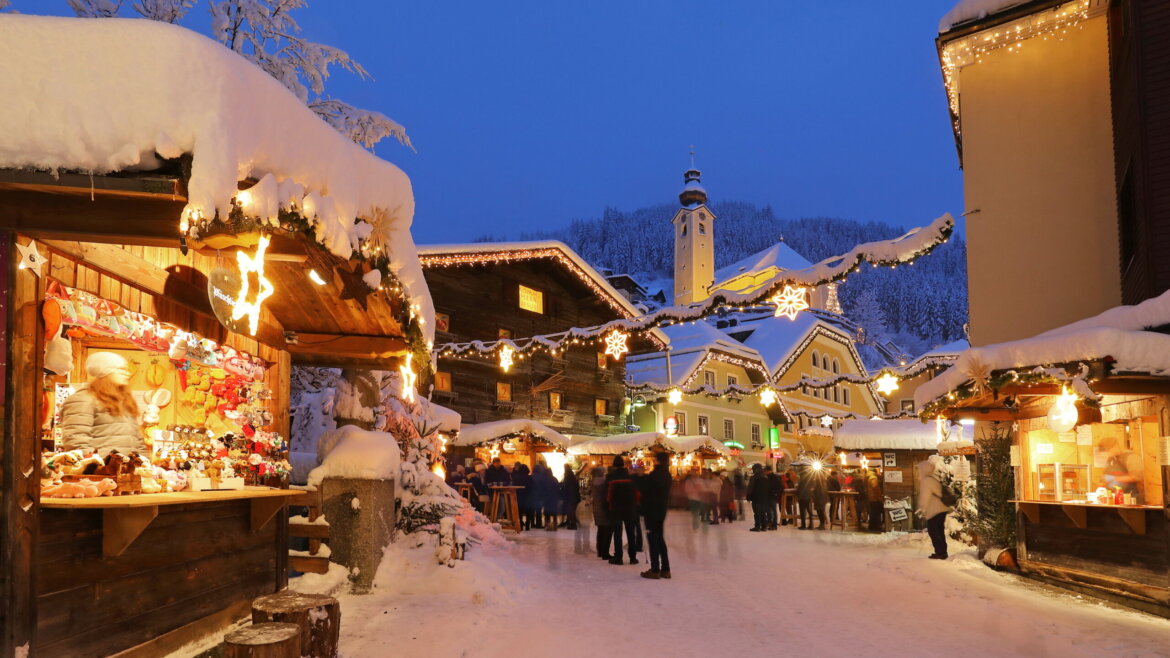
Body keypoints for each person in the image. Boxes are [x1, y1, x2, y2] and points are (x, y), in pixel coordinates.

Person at [60, 351, 147, 456]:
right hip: (101, 470)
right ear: (105, 372)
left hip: (125, 469)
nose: (127, 373)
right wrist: (95, 466)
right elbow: (76, 440)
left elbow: (137, 440)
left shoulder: (123, 401)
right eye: (120, 369)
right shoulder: (83, 399)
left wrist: (144, 463)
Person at [639, 451, 673, 579]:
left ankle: (654, 569)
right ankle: (666, 569)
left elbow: (645, 489)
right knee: (660, 538)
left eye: (655, 458)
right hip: (661, 510)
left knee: (653, 539)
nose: (653, 460)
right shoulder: (667, 475)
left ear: (658, 460)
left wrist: (641, 477)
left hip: (651, 510)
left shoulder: (655, 475)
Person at [606, 456, 639, 565]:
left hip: (616, 508)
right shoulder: (631, 477)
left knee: (617, 533)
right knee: (631, 533)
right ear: (623, 464)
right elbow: (637, 493)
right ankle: (633, 557)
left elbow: (609, 495)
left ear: (614, 465)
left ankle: (618, 557)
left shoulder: (611, 477)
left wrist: (608, 504)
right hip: (630, 508)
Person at [916, 460, 951, 559]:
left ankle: (940, 553)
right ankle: (942, 552)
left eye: (920, 469)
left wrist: (922, 508)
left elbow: (924, 497)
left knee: (933, 531)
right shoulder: (932, 478)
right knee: (939, 530)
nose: (919, 471)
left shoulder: (926, 480)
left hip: (935, 510)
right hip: (941, 509)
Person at [1098, 437, 1143, 502]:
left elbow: (1138, 476)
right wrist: (1102, 486)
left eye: (1107, 451)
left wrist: (1116, 479)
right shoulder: (1111, 459)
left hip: (1131, 498)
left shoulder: (1131, 457)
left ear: (1114, 447)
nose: (1106, 454)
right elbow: (1105, 476)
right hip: (1115, 498)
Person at [591, 465, 613, 560]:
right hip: (603, 509)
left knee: (601, 530)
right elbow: (606, 496)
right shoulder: (603, 482)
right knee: (607, 531)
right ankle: (605, 552)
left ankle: (600, 550)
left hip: (596, 508)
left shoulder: (594, 481)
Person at [747, 464, 771, 531]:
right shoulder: (765, 477)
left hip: (756, 498)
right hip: (764, 498)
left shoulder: (754, 478)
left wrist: (748, 496)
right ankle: (764, 526)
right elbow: (768, 489)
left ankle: (757, 526)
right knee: (763, 512)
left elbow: (750, 488)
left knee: (757, 512)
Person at [511, 463, 533, 530]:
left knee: (519, 511)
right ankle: (527, 525)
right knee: (528, 511)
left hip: (519, 496)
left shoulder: (516, 478)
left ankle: (520, 523)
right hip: (528, 496)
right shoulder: (529, 478)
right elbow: (532, 487)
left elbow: (514, 486)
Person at [561, 463, 581, 530]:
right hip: (574, 496)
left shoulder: (568, 475)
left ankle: (573, 525)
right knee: (571, 510)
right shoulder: (571, 475)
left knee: (571, 510)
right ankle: (569, 522)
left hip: (571, 496)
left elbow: (566, 486)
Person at [795, 464, 814, 529]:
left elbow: (800, 488)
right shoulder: (809, 477)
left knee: (802, 511)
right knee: (808, 510)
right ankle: (811, 524)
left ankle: (803, 525)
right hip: (808, 495)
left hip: (802, 496)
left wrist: (797, 495)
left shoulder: (802, 478)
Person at [866, 468, 884, 532]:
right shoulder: (874, 478)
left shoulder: (869, 477)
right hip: (875, 498)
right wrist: (879, 496)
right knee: (876, 513)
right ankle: (875, 526)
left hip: (871, 497)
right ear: (875, 472)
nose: (879, 472)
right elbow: (875, 487)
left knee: (873, 512)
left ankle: (872, 525)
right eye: (878, 471)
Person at [765, 466, 781, 530]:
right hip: (772, 496)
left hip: (770, 496)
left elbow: (770, 487)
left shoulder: (771, 477)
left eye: (765, 471)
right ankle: (771, 524)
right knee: (771, 511)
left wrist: (774, 492)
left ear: (768, 471)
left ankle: (773, 525)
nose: (764, 472)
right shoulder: (775, 477)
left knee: (771, 511)